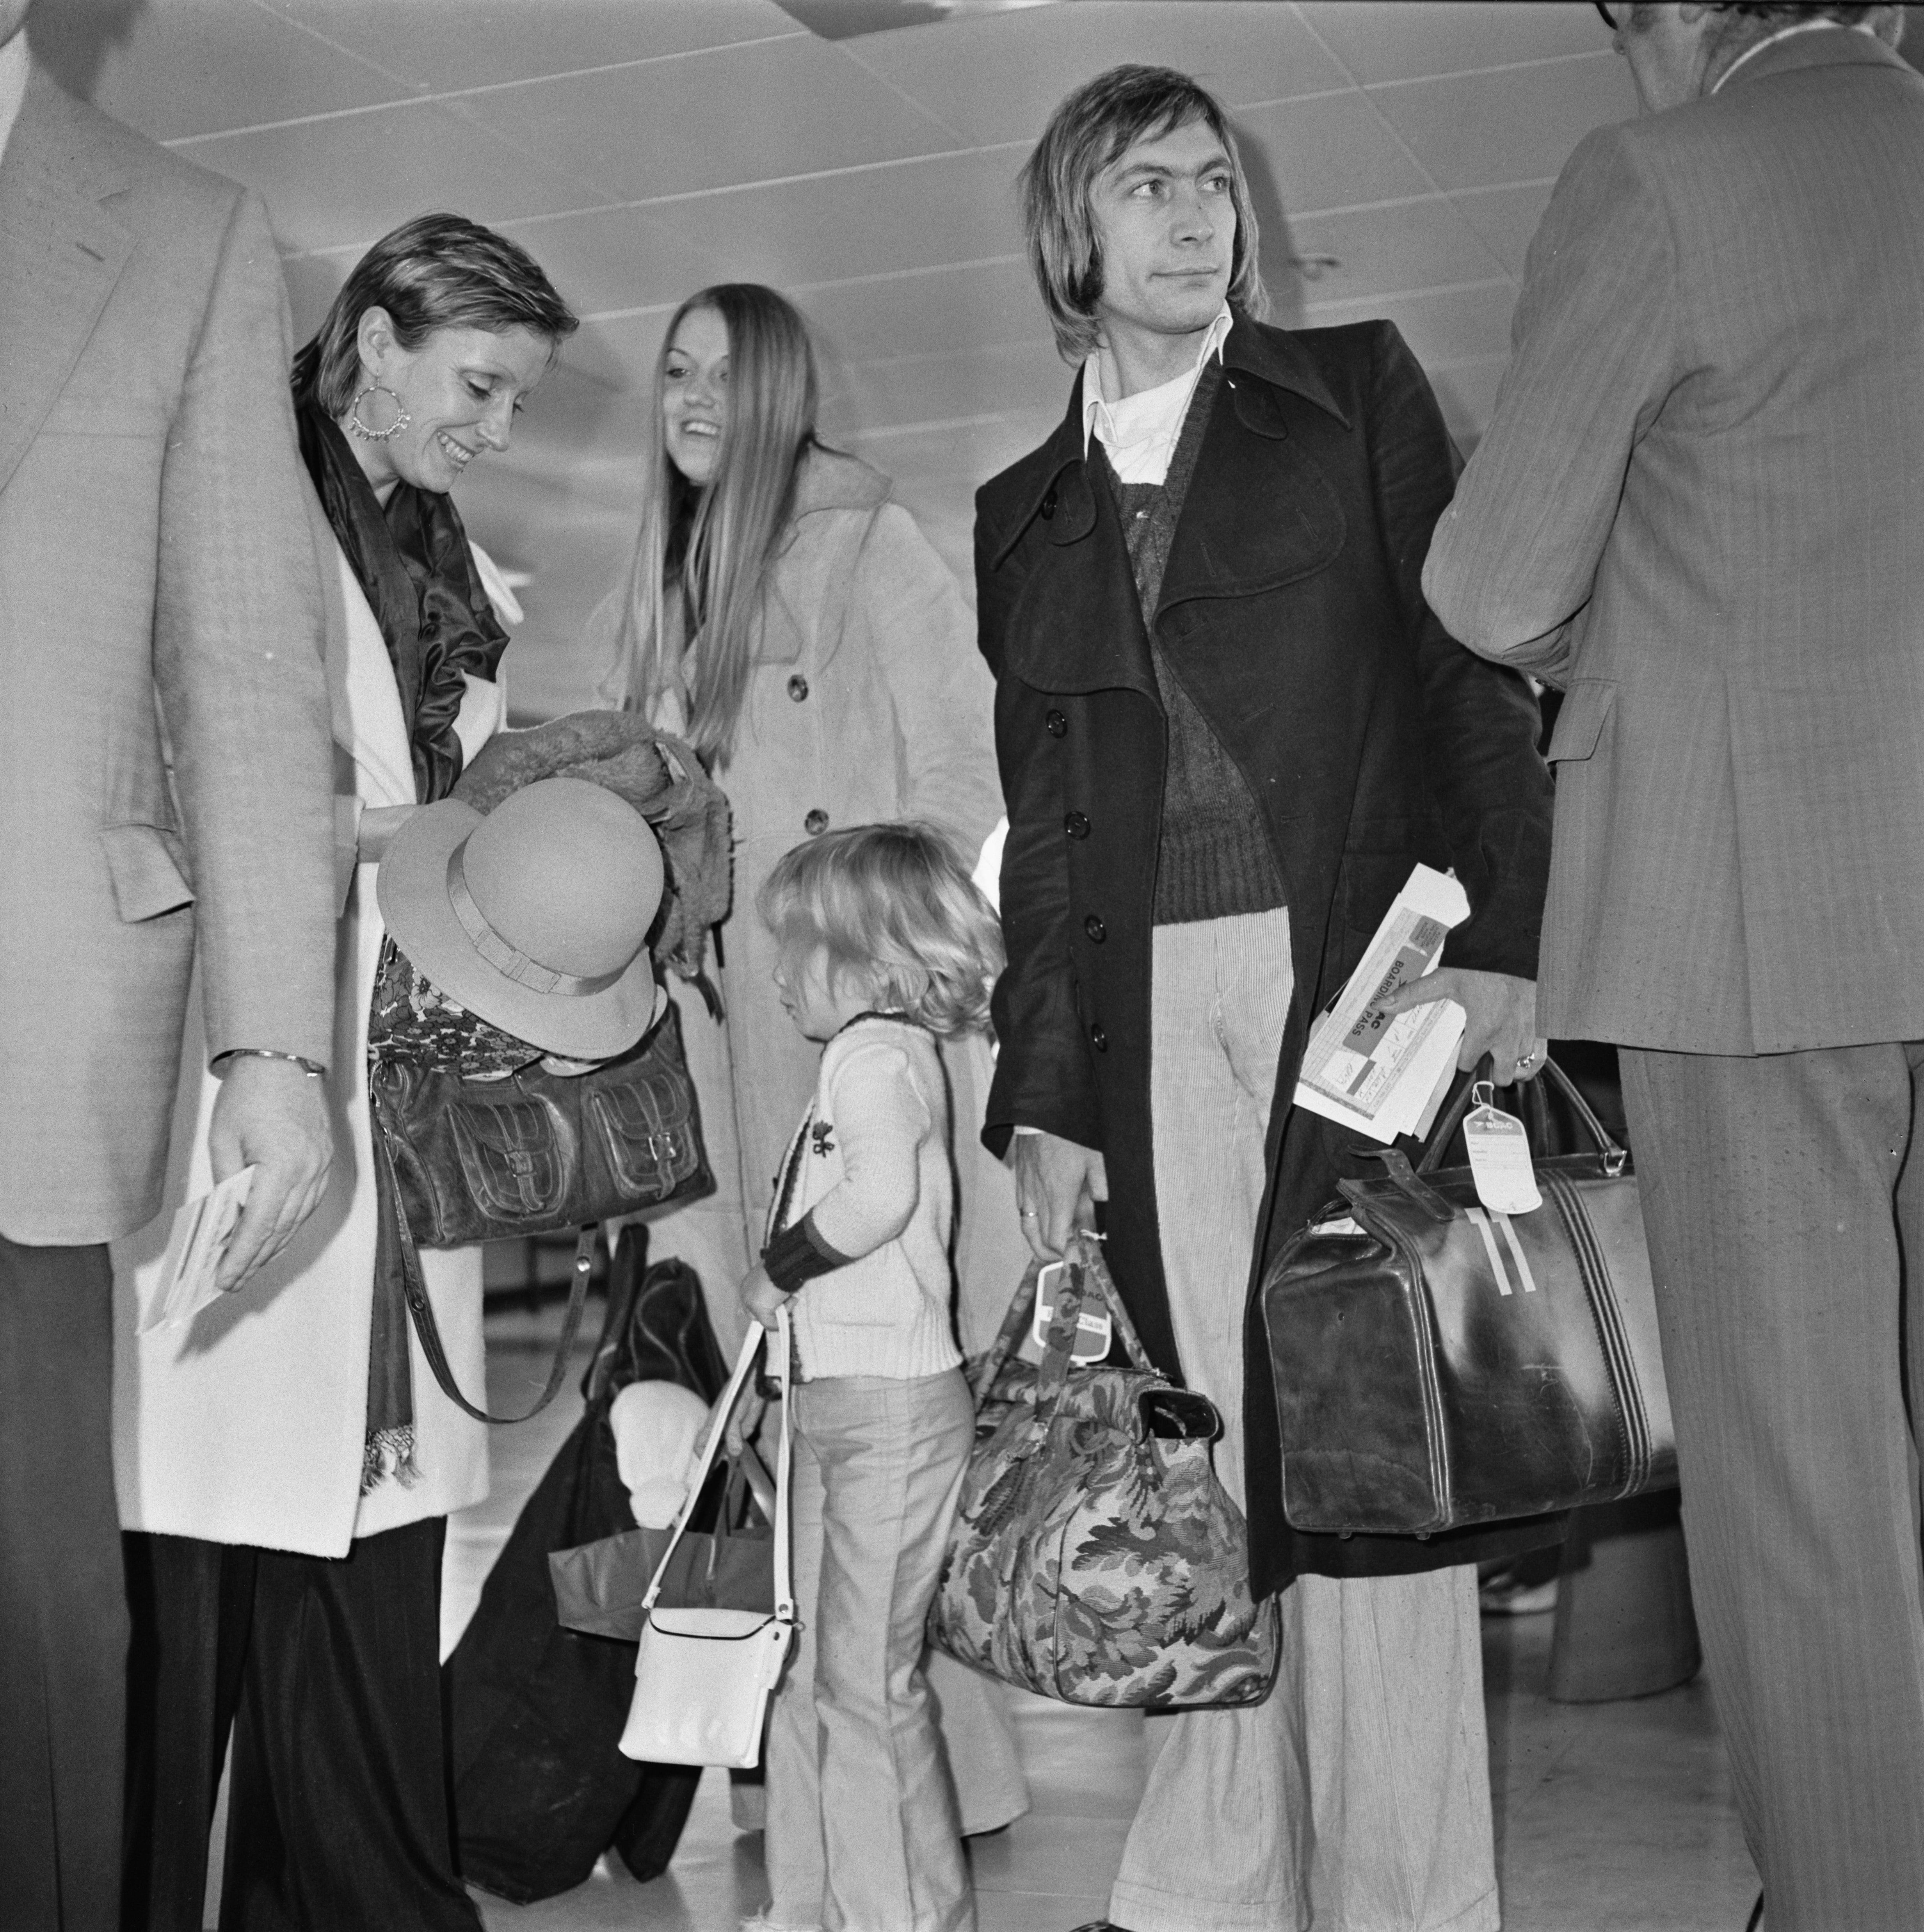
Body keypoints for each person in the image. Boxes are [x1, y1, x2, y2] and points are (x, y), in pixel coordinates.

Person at [978, 65, 1556, 1932]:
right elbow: (1052, 836)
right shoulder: (1024, 510)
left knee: (1370, 1434)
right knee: (1202, 1452)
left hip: (1365, 993)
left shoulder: (1358, 393)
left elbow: (1471, 680)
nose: (1197, 213)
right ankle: (1209, 1883)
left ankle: (1409, 1890)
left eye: (1215, 182)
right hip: (1142, 1010)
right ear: (1076, 230)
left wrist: (1513, 950)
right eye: (1149, 186)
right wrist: (1046, 1101)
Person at [1423, 5, 1924, 1925]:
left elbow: (1493, 578)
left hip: (1759, 915)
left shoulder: (1667, 176)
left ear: (1670, 20)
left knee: (1808, 1496)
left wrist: (1619, 615)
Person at [112, 213, 578, 1932]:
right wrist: (407, 827)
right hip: (242, 1062)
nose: (498, 431)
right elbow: (175, 772)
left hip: (390, 1079)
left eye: (519, 398)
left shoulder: (434, 558)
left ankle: (345, 1891)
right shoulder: (237, 506)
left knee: (365, 1541)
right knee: (199, 1551)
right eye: (478, 385)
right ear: (372, 339)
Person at [596, 280, 1028, 1834]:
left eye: (728, 370)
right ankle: (812, 1759)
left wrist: (864, 955)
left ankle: (917, 1765)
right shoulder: (660, 585)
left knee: (881, 1396)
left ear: (784, 390)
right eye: (677, 369)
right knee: (756, 1386)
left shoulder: (869, 545)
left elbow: (969, 772)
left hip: (848, 1032)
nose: (696, 396)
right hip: (715, 1042)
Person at [0, 5, 337, 1922]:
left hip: (29, 1013)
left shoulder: (183, 232)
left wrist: (274, 1046)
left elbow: (244, 663)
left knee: (41, 1613)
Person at [741, 821, 1003, 1932]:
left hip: (893, 1409)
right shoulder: (861, 1059)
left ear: (867, 959)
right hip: (840, 1397)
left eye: (793, 950)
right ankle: (810, 1904)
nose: (776, 973)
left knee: (863, 1684)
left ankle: (901, 1918)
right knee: (807, 1671)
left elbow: (879, 1196)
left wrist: (778, 1269)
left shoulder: (874, 1053)